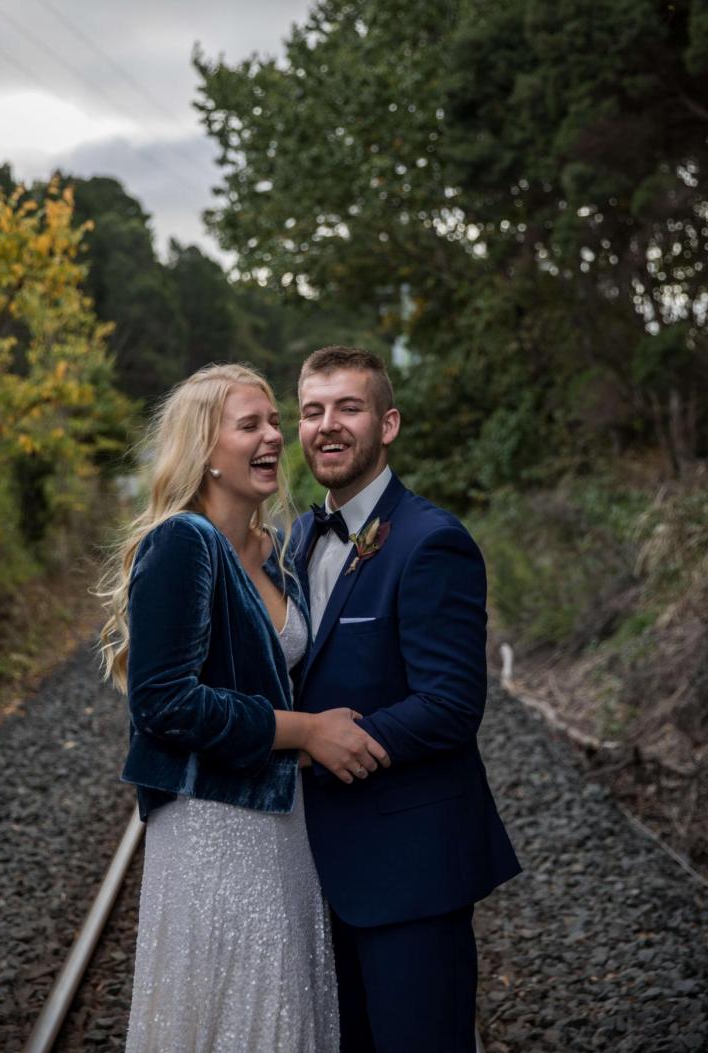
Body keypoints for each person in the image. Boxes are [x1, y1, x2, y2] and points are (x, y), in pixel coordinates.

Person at [99, 363, 389, 1053]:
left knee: (285, 1005)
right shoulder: (181, 542)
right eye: (250, 424)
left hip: (281, 824)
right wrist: (308, 731)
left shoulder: (279, 551)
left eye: (274, 422)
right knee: (239, 1008)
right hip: (212, 827)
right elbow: (164, 701)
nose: (274, 437)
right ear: (205, 449)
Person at [293, 346, 521, 1053]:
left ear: (387, 423)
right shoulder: (298, 537)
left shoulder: (433, 541)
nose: (328, 425)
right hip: (313, 869)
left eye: (348, 408)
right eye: (312, 410)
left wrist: (317, 746)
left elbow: (452, 702)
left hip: (410, 872)